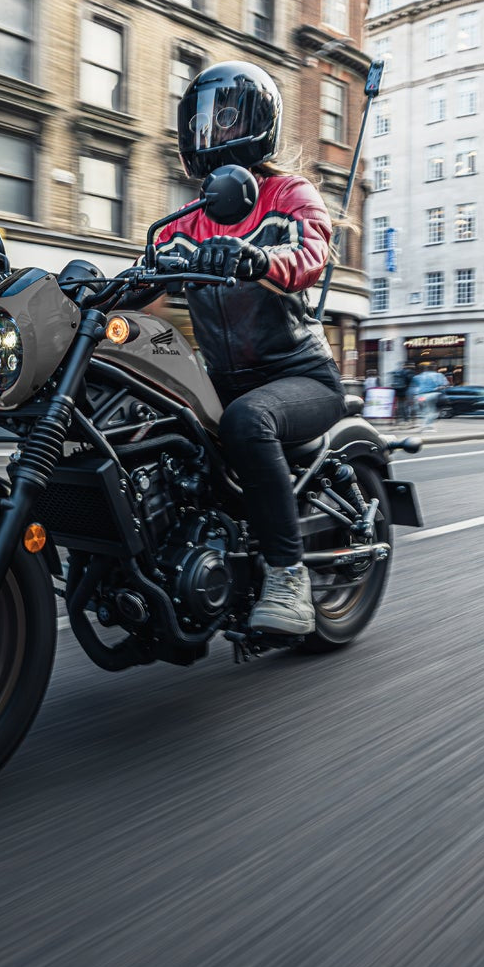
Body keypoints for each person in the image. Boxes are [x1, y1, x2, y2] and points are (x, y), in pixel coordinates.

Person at [132, 59, 348, 636]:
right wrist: (88, 292)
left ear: (256, 122)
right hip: (222, 381)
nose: (211, 132)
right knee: (146, 417)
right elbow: (145, 278)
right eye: (201, 121)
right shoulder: (187, 220)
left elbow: (309, 255)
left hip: (299, 377)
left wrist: (259, 259)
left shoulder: (289, 193)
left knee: (248, 421)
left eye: (225, 118)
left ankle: (288, 578)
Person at [408, 366, 448, 432]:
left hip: (421, 396)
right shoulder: (438, 375)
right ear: (434, 369)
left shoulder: (418, 377)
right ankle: (427, 426)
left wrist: (412, 397)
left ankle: (427, 425)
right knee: (433, 411)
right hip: (433, 394)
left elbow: (413, 388)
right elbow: (444, 385)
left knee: (425, 410)